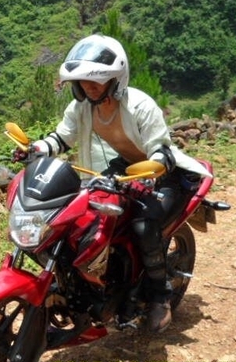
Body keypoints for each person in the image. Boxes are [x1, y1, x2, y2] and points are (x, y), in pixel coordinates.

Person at [30, 33, 211, 333]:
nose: (88, 89)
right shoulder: (83, 107)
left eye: (95, 82)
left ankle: (159, 298)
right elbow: (62, 137)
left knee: (143, 225)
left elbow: (160, 149)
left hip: (162, 172)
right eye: (83, 83)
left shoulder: (140, 105)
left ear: (115, 80)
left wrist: (149, 174)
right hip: (124, 167)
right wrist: (36, 149)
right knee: (83, 216)